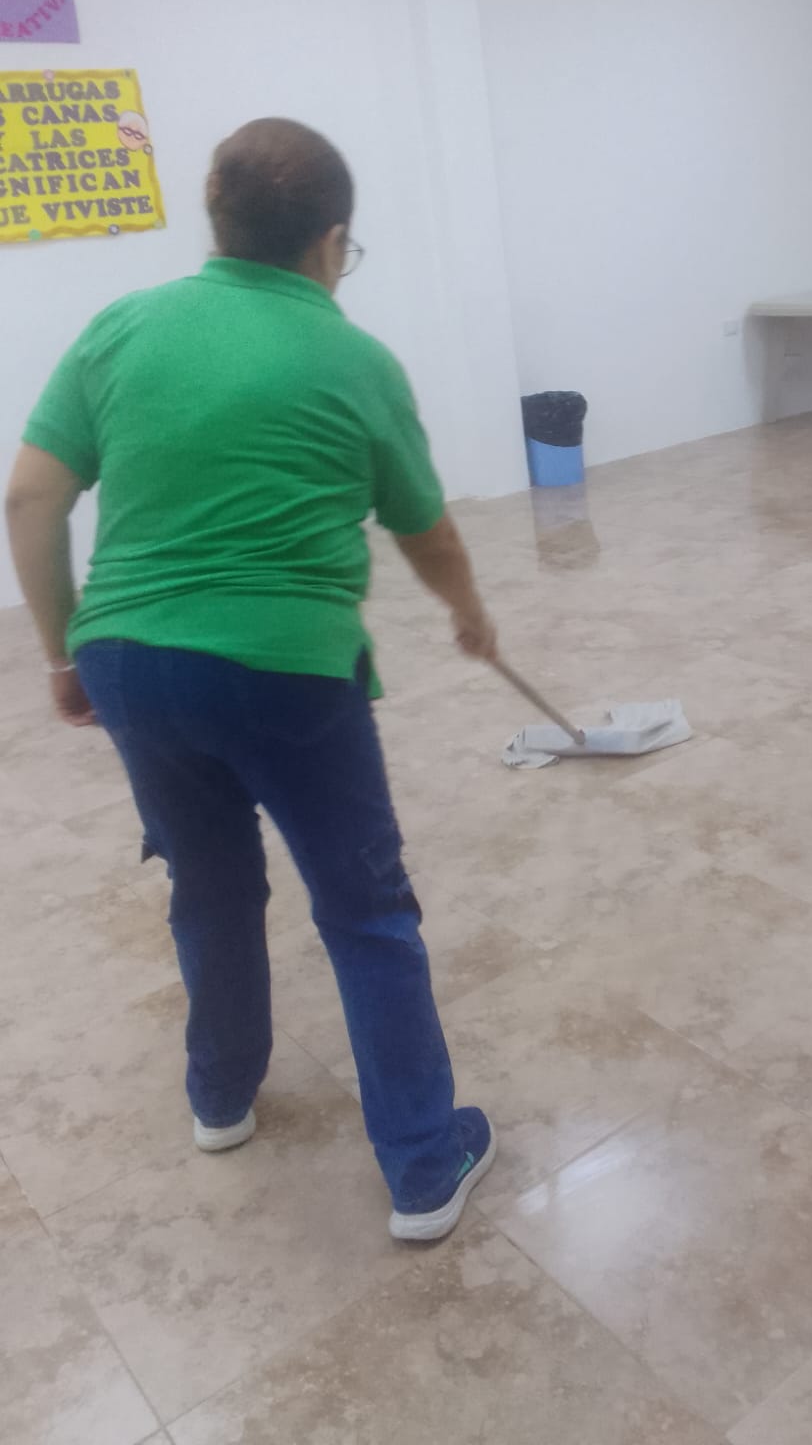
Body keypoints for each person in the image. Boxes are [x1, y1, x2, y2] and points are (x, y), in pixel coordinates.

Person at [5, 117, 497, 1242]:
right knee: (366, 909)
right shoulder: (355, 359)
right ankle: (425, 1164)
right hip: (286, 673)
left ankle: (220, 1099)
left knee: (211, 883)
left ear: (216, 220)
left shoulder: (122, 326)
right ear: (330, 242)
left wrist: (63, 654)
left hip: (129, 663)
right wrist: (468, 611)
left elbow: (29, 496)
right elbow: (426, 531)